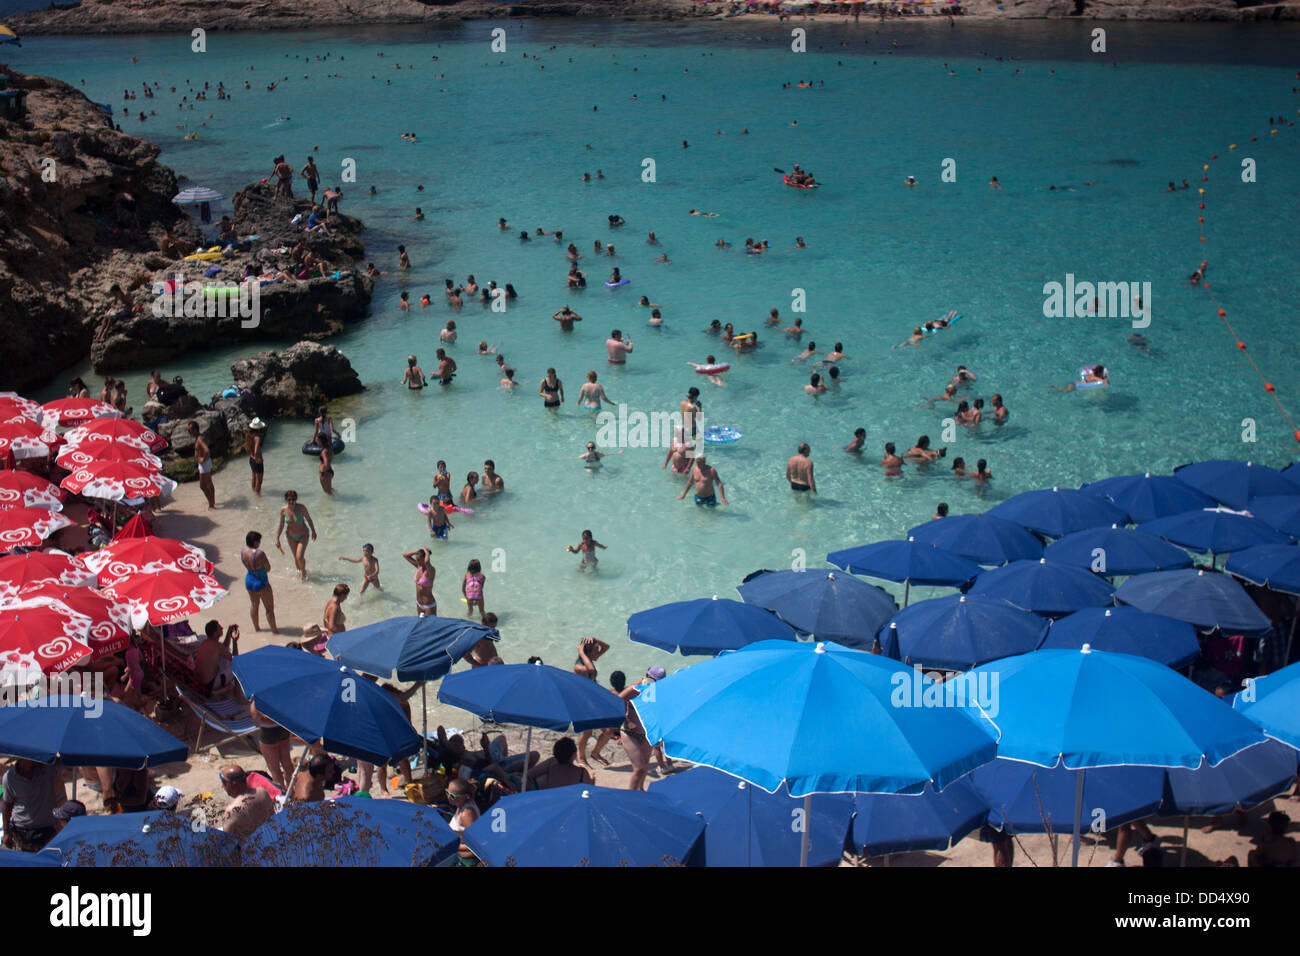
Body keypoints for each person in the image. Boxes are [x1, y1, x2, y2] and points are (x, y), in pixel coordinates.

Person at [1, 758, 61, 851]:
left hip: (47, 831)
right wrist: (6, 832)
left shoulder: (47, 770)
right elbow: (7, 805)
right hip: (22, 831)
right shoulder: (9, 778)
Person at [249, 699, 295, 790]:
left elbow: (255, 716)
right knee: (287, 762)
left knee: (274, 768)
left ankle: (281, 792)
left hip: (268, 731)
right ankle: (293, 789)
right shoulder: (278, 695)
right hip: (282, 727)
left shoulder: (259, 697)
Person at [219, 765, 274, 837]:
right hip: (270, 837)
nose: (222, 787)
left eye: (224, 783)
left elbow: (227, 841)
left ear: (230, 785)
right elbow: (274, 818)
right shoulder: (262, 792)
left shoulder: (232, 810)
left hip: (250, 846)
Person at [276, 490, 317, 581]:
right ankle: (299, 573)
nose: (291, 502)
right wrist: (277, 538)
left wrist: (313, 531)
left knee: (299, 556)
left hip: (303, 534)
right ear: (286, 500)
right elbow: (281, 525)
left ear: (296, 499)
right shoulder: (283, 510)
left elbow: (309, 519)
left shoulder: (301, 508)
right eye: (289, 499)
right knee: (296, 557)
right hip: (290, 536)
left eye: (293, 499)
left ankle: (303, 572)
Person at [241, 531, 277, 634]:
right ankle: (274, 631)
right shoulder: (260, 553)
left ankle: (257, 629)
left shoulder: (243, 552)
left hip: (249, 580)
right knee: (269, 608)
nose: (260, 543)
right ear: (255, 542)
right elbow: (268, 568)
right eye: (259, 541)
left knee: (254, 604)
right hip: (261, 582)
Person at [528, 737, 594, 790]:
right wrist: (592, 778)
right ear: (574, 755)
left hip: (552, 801)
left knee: (542, 779)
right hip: (571, 804)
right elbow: (589, 790)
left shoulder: (551, 764)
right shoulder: (581, 772)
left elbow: (530, 774)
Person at [194, 620, 239, 695]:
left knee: (226, 656)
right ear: (215, 633)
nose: (222, 628)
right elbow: (236, 661)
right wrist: (235, 641)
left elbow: (224, 648)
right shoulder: (216, 646)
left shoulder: (206, 642)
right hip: (210, 685)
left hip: (203, 681)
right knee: (237, 667)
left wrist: (229, 632)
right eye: (219, 628)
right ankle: (237, 693)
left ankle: (223, 686)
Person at [446, 779, 481, 865]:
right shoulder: (461, 805)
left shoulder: (466, 814)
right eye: (447, 792)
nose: (448, 797)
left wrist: (453, 846)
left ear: (465, 796)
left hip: (466, 860)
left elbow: (475, 845)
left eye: (453, 796)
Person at [188, 421, 215, 509]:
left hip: (204, 464)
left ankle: (211, 504)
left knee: (203, 486)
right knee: (209, 484)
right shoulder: (201, 437)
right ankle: (213, 502)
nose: (189, 433)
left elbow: (207, 450)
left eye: (190, 430)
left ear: (195, 429)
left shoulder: (199, 439)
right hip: (206, 463)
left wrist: (202, 459)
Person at [403, 548, 437, 617]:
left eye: (419, 560)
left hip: (428, 605)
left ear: (424, 558)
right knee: (421, 625)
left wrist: (426, 551)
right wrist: (418, 551)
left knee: (430, 627)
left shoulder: (430, 571)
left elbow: (427, 562)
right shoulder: (419, 567)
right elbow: (405, 555)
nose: (417, 561)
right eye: (417, 559)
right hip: (419, 604)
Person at [245, 417, 267, 494]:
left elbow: (247, 447)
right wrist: (258, 458)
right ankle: (257, 495)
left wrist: (253, 456)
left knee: (254, 476)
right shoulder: (257, 437)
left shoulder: (249, 435)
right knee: (259, 480)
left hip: (251, 458)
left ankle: (253, 491)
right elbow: (256, 449)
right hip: (257, 460)